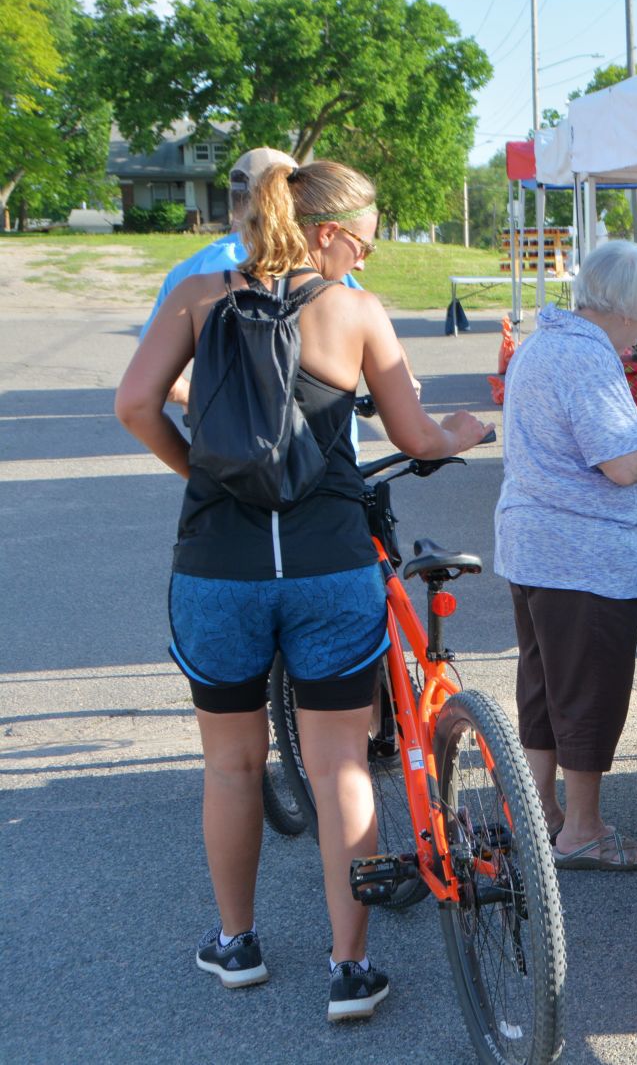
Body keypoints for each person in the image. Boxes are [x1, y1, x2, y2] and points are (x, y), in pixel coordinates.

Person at [115, 160, 491, 1019]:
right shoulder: (354, 309)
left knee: (231, 762)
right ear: (327, 232)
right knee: (340, 764)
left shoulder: (195, 299)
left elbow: (135, 402)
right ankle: (350, 966)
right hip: (327, 563)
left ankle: (237, 944)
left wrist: (199, 472)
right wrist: (460, 430)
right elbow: (416, 437)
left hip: (220, 566)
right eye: (360, 241)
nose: (362, 257)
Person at [495, 241, 637, 870]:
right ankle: (583, 828)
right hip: (578, 552)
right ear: (631, 303)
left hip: (536, 544)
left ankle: (541, 814)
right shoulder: (585, 358)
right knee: (588, 690)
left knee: (545, 686)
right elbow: (620, 466)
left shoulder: (544, 342)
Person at [141, 147, 369, 407]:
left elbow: (156, 387)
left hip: (226, 442)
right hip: (326, 440)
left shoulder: (188, 275)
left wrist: (213, 404)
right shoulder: (329, 267)